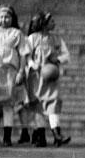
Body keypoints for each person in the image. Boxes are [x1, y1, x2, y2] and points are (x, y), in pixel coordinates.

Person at [0, 5, 30, 146]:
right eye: (1, 17)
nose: (4, 19)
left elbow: (23, 54)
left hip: (10, 71)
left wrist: (21, 72)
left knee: (8, 105)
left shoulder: (17, 33)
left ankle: (7, 137)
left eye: (7, 17)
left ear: (12, 18)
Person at [25, 11, 72, 147]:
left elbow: (66, 55)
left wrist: (57, 59)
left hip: (51, 77)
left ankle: (57, 134)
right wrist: (33, 64)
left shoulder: (57, 39)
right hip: (36, 76)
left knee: (53, 103)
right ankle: (40, 136)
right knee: (38, 104)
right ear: (43, 23)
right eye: (51, 21)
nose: (54, 23)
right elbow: (27, 56)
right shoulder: (32, 38)